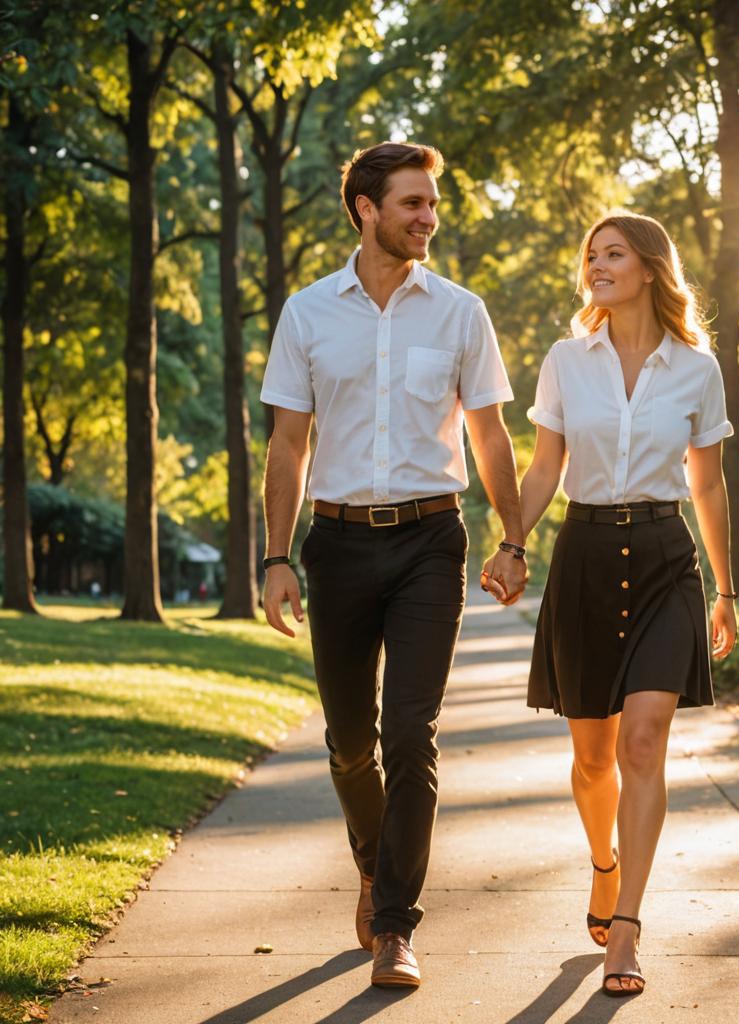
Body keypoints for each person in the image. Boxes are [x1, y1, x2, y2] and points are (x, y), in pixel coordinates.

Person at [259, 141, 527, 990]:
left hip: (428, 540)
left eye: (432, 204)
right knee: (349, 743)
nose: (429, 219)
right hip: (335, 544)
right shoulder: (306, 314)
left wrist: (514, 538)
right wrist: (274, 556)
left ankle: (395, 924)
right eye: (413, 203)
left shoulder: (460, 312)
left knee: (411, 732)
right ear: (366, 208)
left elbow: (488, 434)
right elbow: (288, 443)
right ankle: (374, 864)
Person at [511, 212, 736, 997]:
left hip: (667, 561)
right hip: (585, 557)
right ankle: (603, 864)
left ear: (648, 267)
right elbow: (544, 469)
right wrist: (512, 541)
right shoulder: (568, 361)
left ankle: (629, 928)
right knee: (594, 756)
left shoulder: (696, 369)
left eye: (613, 254)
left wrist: (726, 589)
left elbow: (706, 484)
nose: (597, 266)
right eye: (591, 256)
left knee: (644, 742)